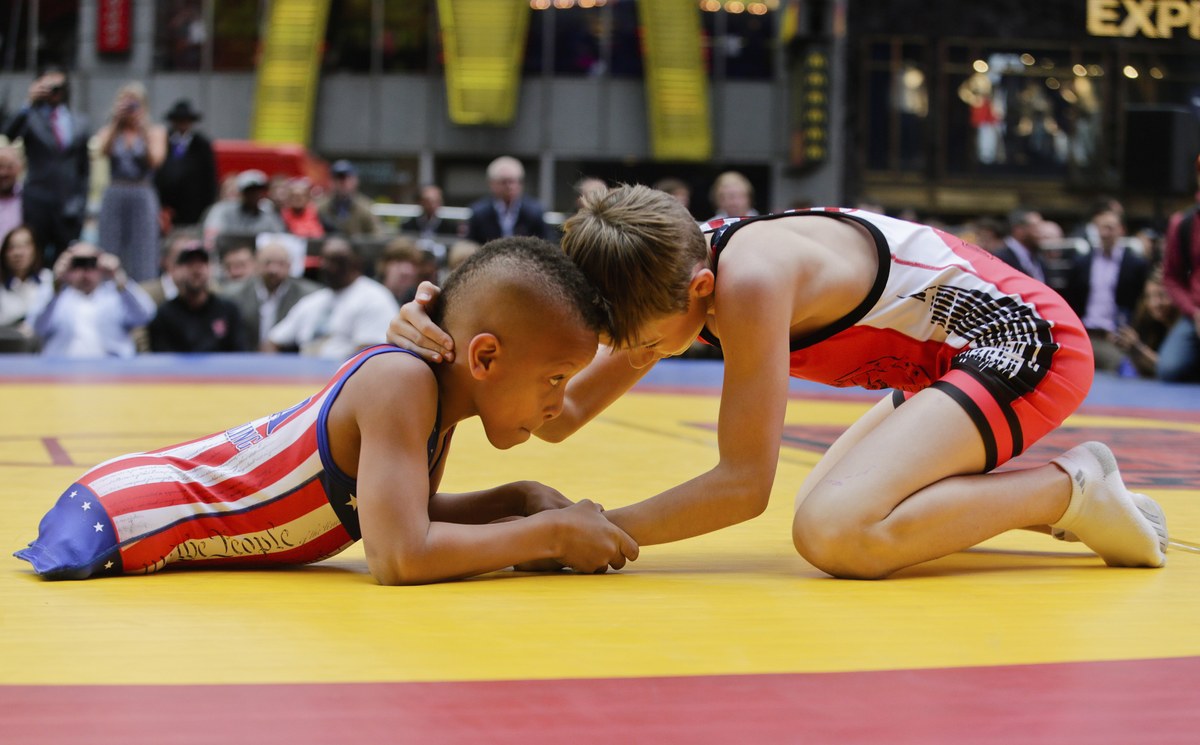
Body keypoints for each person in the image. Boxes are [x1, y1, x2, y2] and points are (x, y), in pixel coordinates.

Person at [393, 185, 1169, 579]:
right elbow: (556, 417)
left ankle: (1072, 485)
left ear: (700, 292)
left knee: (835, 531)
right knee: (836, 512)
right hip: (944, 364)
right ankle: (1054, 500)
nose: (627, 359)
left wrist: (591, 529)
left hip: (1023, 343)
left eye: (637, 348)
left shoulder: (752, 279)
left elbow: (742, 484)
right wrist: (440, 333)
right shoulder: (668, 271)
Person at [14, 237, 637, 583]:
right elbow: (399, 555)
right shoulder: (402, 383)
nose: (560, 405)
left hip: (128, 504)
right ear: (484, 357)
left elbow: (394, 514)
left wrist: (516, 501)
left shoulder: (431, 400)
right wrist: (550, 531)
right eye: (555, 379)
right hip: (121, 514)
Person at [2, 67, 91, 263]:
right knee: (35, 259)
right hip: (37, 202)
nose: (53, 91)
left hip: (69, 207)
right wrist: (28, 102)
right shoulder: (30, 116)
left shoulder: (79, 121)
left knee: (67, 261)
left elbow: (84, 170)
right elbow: (9, 134)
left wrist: (81, 204)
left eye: (57, 86)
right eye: (48, 86)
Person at [266, 236, 399, 359]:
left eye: (337, 261)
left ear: (356, 263)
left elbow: (370, 353)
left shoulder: (375, 298)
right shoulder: (313, 301)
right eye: (324, 260)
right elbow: (272, 341)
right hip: (303, 378)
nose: (328, 266)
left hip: (346, 379)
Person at [26, 242, 155, 359]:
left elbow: (145, 316)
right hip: (62, 371)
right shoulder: (55, 294)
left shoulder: (116, 293)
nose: (85, 272)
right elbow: (37, 328)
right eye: (78, 264)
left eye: (91, 263)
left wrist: (120, 278)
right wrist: (56, 283)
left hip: (112, 372)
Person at [96, 82, 169, 283]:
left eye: (134, 104)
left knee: (144, 247)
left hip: (142, 191)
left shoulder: (155, 131)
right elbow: (101, 150)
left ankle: (145, 289)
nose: (129, 108)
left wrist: (142, 127)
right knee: (109, 244)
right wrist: (115, 121)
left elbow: (155, 160)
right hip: (116, 190)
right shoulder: (111, 131)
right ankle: (107, 285)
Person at [1062, 208, 1149, 372]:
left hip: (1118, 336)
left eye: (1110, 227)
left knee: (1122, 367)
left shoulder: (1135, 264)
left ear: (1121, 230)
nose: (1105, 233)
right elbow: (1070, 299)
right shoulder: (1081, 263)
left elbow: (1139, 300)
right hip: (1086, 334)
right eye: (1101, 227)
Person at [148, 242, 248, 353]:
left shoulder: (228, 311)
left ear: (210, 269)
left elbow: (239, 354)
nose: (196, 269)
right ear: (176, 270)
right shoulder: (165, 315)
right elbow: (161, 358)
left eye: (202, 263)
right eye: (190, 264)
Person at [221, 239, 319, 349]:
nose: (273, 270)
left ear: (289, 266)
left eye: (280, 264)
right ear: (256, 264)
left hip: (289, 360)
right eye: (267, 263)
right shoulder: (234, 295)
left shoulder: (308, 296)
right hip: (247, 358)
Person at [154, 99, 218, 230]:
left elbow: (210, 178)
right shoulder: (162, 141)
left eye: (186, 120)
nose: (182, 124)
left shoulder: (202, 145)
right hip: (166, 208)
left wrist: (207, 207)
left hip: (193, 208)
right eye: (179, 120)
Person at [1112, 268, 1180, 379]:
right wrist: (1130, 349)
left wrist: (1138, 348)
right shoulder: (1146, 319)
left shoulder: (1184, 328)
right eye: (1149, 296)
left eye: (1161, 295)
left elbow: (1171, 369)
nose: (1155, 303)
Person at [465, 156, 548, 244]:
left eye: (514, 181)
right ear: (492, 184)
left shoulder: (535, 211)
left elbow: (545, 242)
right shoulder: (479, 212)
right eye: (504, 182)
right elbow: (470, 244)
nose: (510, 187)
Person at [0, 225, 51, 351]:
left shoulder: (48, 280)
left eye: (24, 246)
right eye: (12, 247)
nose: (18, 253)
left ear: (35, 249)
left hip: (40, 353)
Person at [202, 169, 285, 245]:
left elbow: (281, 239)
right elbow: (211, 236)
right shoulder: (223, 211)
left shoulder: (268, 214)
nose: (254, 194)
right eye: (250, 191)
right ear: (241, 193)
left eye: (258, 190)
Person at [317, 160, 379, 238]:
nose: (342, 182)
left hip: (358, 249)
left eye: (347, 178)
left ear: (355, 180)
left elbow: (377, 235)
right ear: (331, 181)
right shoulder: (321, 208)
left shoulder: (365, 207)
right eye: (338, 178)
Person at [993, 209, 1046, 283]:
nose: (1041, 232)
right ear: (1019, 230)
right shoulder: (1000, 258)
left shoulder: (1038, 256)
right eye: (1035, 227)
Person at [376, 236, 425, 305]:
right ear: (385, 265)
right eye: (399, 261)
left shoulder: (418, 301)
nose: (405, 271)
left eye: (412, 264)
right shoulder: (368, 293)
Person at [0, 146, 24, 241]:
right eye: (0, 166)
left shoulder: (32, 200)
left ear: (19, 168)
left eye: (9, 167)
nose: (3, 173)